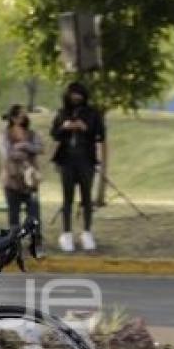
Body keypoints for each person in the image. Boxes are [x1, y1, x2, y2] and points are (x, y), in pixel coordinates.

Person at [50, 81, 107, 252]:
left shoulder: (92, 113)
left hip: (86, 161)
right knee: (67, 198)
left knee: (87, 198)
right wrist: (64, 127)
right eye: (73, 94)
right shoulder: (62, 113)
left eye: (79, 94)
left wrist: (84, 128)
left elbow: (100, 134)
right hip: (67, 161)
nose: (76, 97)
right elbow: (54, 134)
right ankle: (66, 233)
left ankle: (86, 232)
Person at [0, 104, 44, 256]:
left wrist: (23, 145)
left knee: (34, 215)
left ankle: (36, 244)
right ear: (12, 117)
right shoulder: (5, 135)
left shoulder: (32, 134)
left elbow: (40, 148)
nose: (22, 118)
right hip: (12, 179)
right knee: (14, 216)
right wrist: (22, 151)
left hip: (30, 180)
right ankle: (14, 247)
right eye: (19, 115)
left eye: (24, 115)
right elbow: (6, 153)